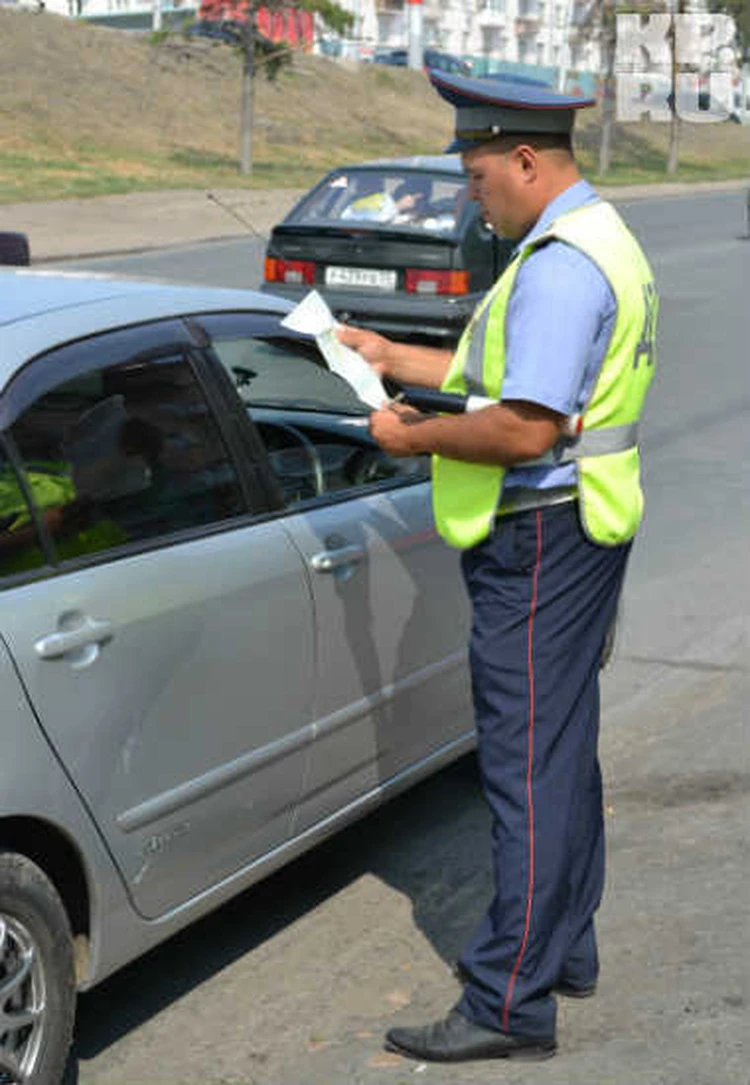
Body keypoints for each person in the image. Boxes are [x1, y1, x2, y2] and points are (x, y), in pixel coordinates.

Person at [338, 71, 658, 1064]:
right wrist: (390, 351)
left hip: (542, 540)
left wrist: (414, 437)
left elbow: (524, 426)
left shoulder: (561, 265)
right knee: (559, 748)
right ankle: (565, 946)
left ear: (525, 158)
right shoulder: (590, 237)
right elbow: (502, 369)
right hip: (583, 531)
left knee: (525, 765)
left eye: (477, 175)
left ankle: (508, 998)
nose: (471, 194)